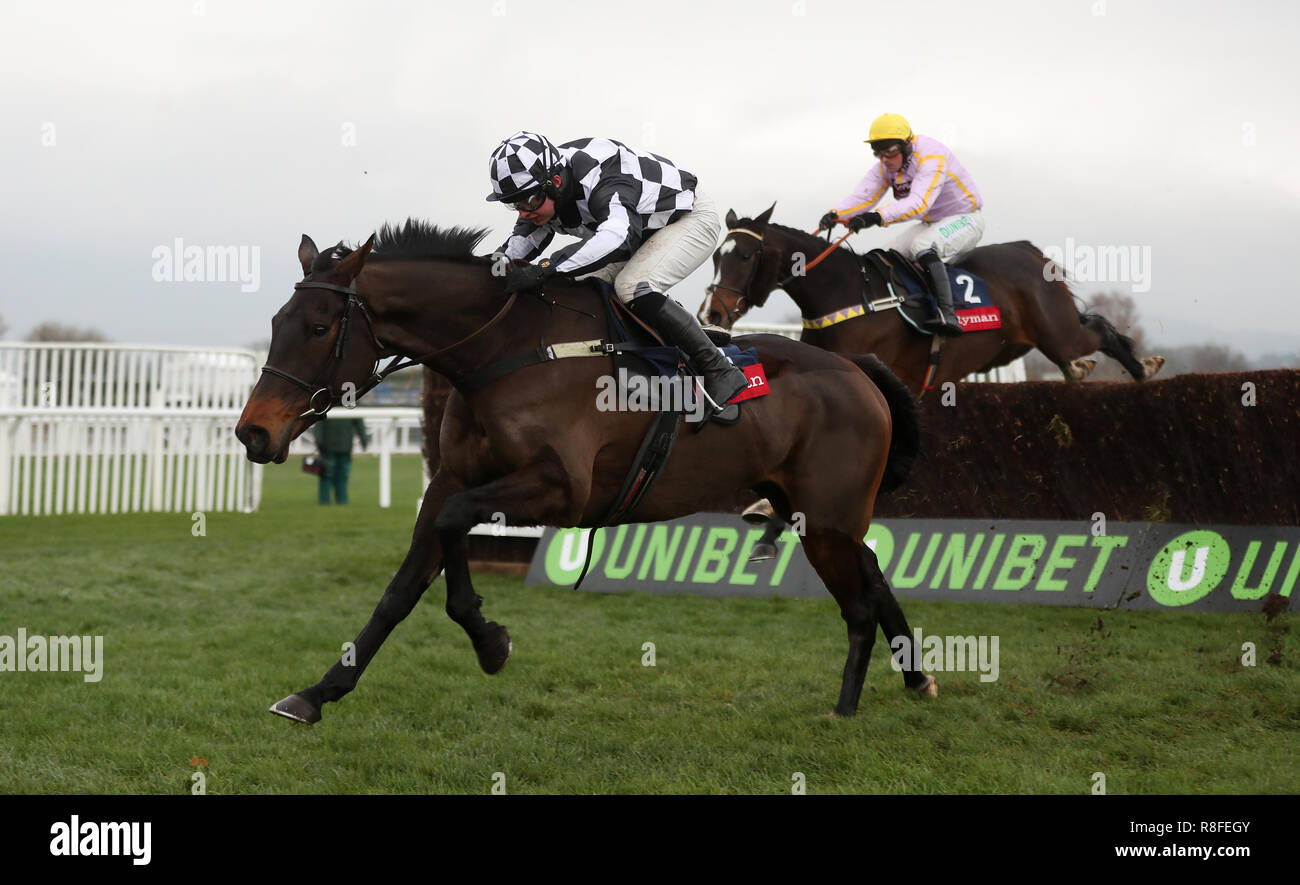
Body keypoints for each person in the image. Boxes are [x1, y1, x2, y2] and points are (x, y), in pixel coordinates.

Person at [486, 130, 747, 412]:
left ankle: (719, 368)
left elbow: (617, 237)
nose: (524, 212)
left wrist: (548, 267)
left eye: (528, 201)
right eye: (514, 204)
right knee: (570, 291)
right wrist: (487, 271)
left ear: (556, 182)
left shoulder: (602, 174)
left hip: (689, 218)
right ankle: (680, 338)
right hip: (640, 230)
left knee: (631, 286)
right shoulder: (544, 191)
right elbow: (518, 247)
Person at [819, 114, 985, 336]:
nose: (884, 159)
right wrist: (835, 213)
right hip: (933, 222)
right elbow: (863, 196)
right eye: (878, 152)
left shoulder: (931, 157)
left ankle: (948, 313)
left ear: (907, 146)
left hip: (966, 218)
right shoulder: (886, 165)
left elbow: (919, 204)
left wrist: (875, 217)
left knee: (922, 245)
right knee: (887, 256)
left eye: (889, 152)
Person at [312, 417, 370, 505]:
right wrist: (364, 440)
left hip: (328, 446)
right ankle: (341, 500)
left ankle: (325, 500)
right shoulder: (351, 404)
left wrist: (318, 441)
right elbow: (359, 424)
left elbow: (319, 425)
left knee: (327, 475)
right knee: (342, 475)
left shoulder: (326, 403)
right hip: (343, 446)